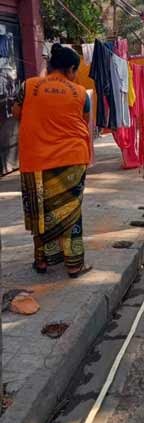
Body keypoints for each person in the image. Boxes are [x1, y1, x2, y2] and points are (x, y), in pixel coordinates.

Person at [16, 44, 93, 278]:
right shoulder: (81, 93)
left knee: (40, 210)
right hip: (72, 158)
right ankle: (74, 264)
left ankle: (42, 261)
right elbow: (83, 119)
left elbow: (17, 113)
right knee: (71, 211)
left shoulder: (27, 86)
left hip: (35, 160)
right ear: (71, 69)